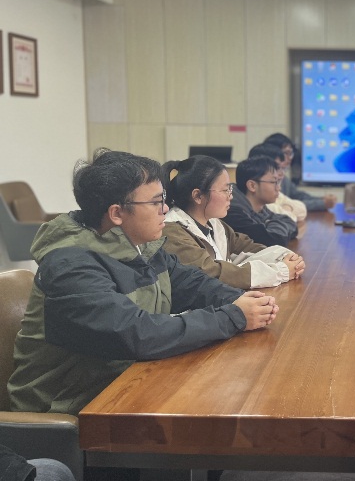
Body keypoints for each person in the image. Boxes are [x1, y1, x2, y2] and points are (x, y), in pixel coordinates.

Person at [8, 149, 278, 417]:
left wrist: (238, 301)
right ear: (117, 213)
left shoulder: (141, 245)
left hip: (125, 384)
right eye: (156, 202)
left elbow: (190, 282)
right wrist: (233, 317)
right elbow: (136, 333)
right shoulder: (70, 267)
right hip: (67, 412)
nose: (166, 210)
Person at [161, 155, 305, 290]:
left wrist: (284, 257)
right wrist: (280, 271)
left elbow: (247, 247)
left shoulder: (214, 223)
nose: (231, 196)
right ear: (198, 196)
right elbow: (213, 273)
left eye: (230, 189)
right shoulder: (173, 231)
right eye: (225, 190)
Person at [224, 156, 299, 248]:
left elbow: (291, 225)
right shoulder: (233, 213)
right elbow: (275, 241)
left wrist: (269, 224)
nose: (279, 188)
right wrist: (269, 224)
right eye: (274, 182)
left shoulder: (260, 208)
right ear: (252, 186)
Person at [261, 133, 337, 211]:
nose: (289, 158)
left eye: (291, 154)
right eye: (286, 153)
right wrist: (322, 203)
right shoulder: (265, 179)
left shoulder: (283, 178)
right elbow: (285, 206)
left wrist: (321, 199)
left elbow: (297, 196)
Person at [247, 143, 307, 222]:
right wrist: (286, 211)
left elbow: (302, 209)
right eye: (277, 168)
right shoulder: (256, 202)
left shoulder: (273, 192)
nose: (282, 174)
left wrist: (287, 208)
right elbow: (287, 219)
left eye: (283, 168)